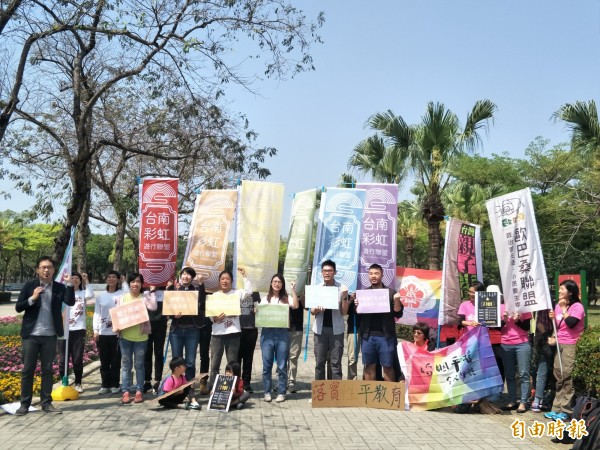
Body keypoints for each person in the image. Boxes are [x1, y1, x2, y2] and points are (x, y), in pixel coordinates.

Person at [14, 256, 76, 416]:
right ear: (37, 270)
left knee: (47, 370)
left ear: (54, 270)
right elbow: (18, 307)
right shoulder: (29, 286)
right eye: (43, 267)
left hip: (50, 335)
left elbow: (70, 302)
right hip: (31, 335)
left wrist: (69, 285)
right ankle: (24, 404)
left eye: (49, 267)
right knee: (28, 370)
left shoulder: (59, 287)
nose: (46, 270)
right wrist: (32, 298)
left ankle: (46, 403)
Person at [353, 264, 403, 381]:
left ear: (382, 275)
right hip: (367, 336)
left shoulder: (390, 293)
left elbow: (398, 313)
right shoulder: (363, 294)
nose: (373, 276)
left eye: (376, 273)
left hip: (386, 337)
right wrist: (356, 305)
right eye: (370, 274)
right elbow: (357, 314)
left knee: (388, 366)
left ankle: (390, 396)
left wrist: (396, 300)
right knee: (369, 366)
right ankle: (370, 396)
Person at [545, 279, 586, 422]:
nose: (559, 291)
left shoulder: (577, 307)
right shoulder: (557, 306)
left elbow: (571, 324)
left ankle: (566, 410)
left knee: (567, 376)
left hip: (570, 344)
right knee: (558, 376)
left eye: (562, 289)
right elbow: (558, 327)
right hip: (559, 344)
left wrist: (563, 309)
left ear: (570, 292)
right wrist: (553, 335)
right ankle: (556, 408)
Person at [114, 272, 157, 404]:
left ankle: (139, 390)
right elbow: (116, 316)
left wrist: (152, 292)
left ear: (141, 284)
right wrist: (116, 327)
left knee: (139, 366)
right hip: (125, 337)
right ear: (129, 283)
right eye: (133, 281)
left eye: (138, 281)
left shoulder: (144, 297)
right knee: (126, 365)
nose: (135, 284)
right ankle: (125, 391)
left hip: (141, 338)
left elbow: (154, 307)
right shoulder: (123, 298)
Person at [257, 274, 299, 403]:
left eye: (279, 282)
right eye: (274, 281)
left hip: (282, 333)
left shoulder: (286, 298)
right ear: (271, 283)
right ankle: (267, 392)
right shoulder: (265, 299)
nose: (277, 284)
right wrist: (257, 312)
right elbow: (260, 314)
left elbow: (296, 306)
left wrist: (293, 290)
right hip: (267, 333)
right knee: (267, 365)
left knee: (281, 365)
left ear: (282, 284)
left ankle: (281, 392)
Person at [209, 267, 252, 388]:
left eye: (227, 279)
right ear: (219, 281)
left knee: (233, 364)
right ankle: (213, 389)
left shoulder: (236, 293)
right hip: (217, 334)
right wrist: (214, 319)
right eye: (222, 278)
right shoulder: (214, 296)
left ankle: (233, 389)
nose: (225, 281)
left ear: (231, 281)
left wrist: (245, 277)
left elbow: (248, 293)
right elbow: (210, 314)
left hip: (233, 333)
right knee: (215, 364)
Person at [166, 267, 207, 390]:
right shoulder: (173, 290)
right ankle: (177, 387)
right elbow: (168, 308)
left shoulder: (195, 290)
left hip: (192, 331)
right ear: (180, 276)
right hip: (176, 331)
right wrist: (174, 315)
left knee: (190, 361)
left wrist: (201, 284)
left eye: (189, 275)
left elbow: (202, 303)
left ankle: (189, 388)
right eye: (184, 274)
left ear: (192, 278)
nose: (186, 276)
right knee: (176, 361)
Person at [312, 260, 349, 381]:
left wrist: (344, 297)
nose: (327, 273)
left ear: (335, 272)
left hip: (336, 330)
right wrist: (317, 309)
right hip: (320, 329)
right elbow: (312, 311)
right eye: (324, 270)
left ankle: (335, 395)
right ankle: (319, 395)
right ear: (321, 273)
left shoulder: (341, 288)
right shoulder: (317, 288)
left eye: (330, 270)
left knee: (336, 364)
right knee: (319, 363)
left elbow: (344, 312)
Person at [58, 272, 94, 393]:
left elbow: (90, 295)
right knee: (63, 359)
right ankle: (64, 382)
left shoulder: (83, 293)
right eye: (72, 278)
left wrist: (86, 280)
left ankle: (78, 383)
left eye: (77, 278)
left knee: (77, 358)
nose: (74, 280)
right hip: (63, 329)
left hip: (78, 329)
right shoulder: (63, 293)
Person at [93, 271, 129, 394]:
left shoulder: (122, 294)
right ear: (106, 279)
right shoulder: (101, 296)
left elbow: (129, 295)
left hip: (117, 333)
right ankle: (104, 385)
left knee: (115, 361)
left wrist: (124, 282)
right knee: (104, 361)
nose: (111, 279)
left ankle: (115, 384)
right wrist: (96, 330)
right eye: (109, 277)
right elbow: (97, 314)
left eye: (114, 277)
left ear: (118, 279)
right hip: (103, 333)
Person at [500, 302, 532, 413]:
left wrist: (517, 320)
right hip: (505, 344)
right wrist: (503, 320)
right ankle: (512, 401)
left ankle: (523, 402)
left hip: (522, 343)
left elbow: (527, 327)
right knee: (509, 374)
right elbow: (497, 328)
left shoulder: (524, 307)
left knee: (524, 373)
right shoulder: (501, 307)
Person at [143, 285, 167, 394]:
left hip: (160, 325)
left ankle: (158, 380)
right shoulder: (143, 290)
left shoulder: (165, 289)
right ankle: (147, 380)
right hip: (146, 324)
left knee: (158, 352)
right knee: (147, 352)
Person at [287, 292, 305, 393]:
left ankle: (291, 381)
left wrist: (304, 299)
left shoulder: (301, 291)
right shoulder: (280, 291)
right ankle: (281, 380)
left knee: (293, 357)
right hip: (282, 329)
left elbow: (308, 307)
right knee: (282, 357)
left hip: (297, 328)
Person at [346, 293, 361, 380]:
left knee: (369, 360)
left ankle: (367, 380)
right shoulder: (350, 291)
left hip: (370, 329)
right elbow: (344, 311)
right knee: (352, 358)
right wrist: (351, 300)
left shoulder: (371, 290)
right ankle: (352, 382)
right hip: (354, 328)